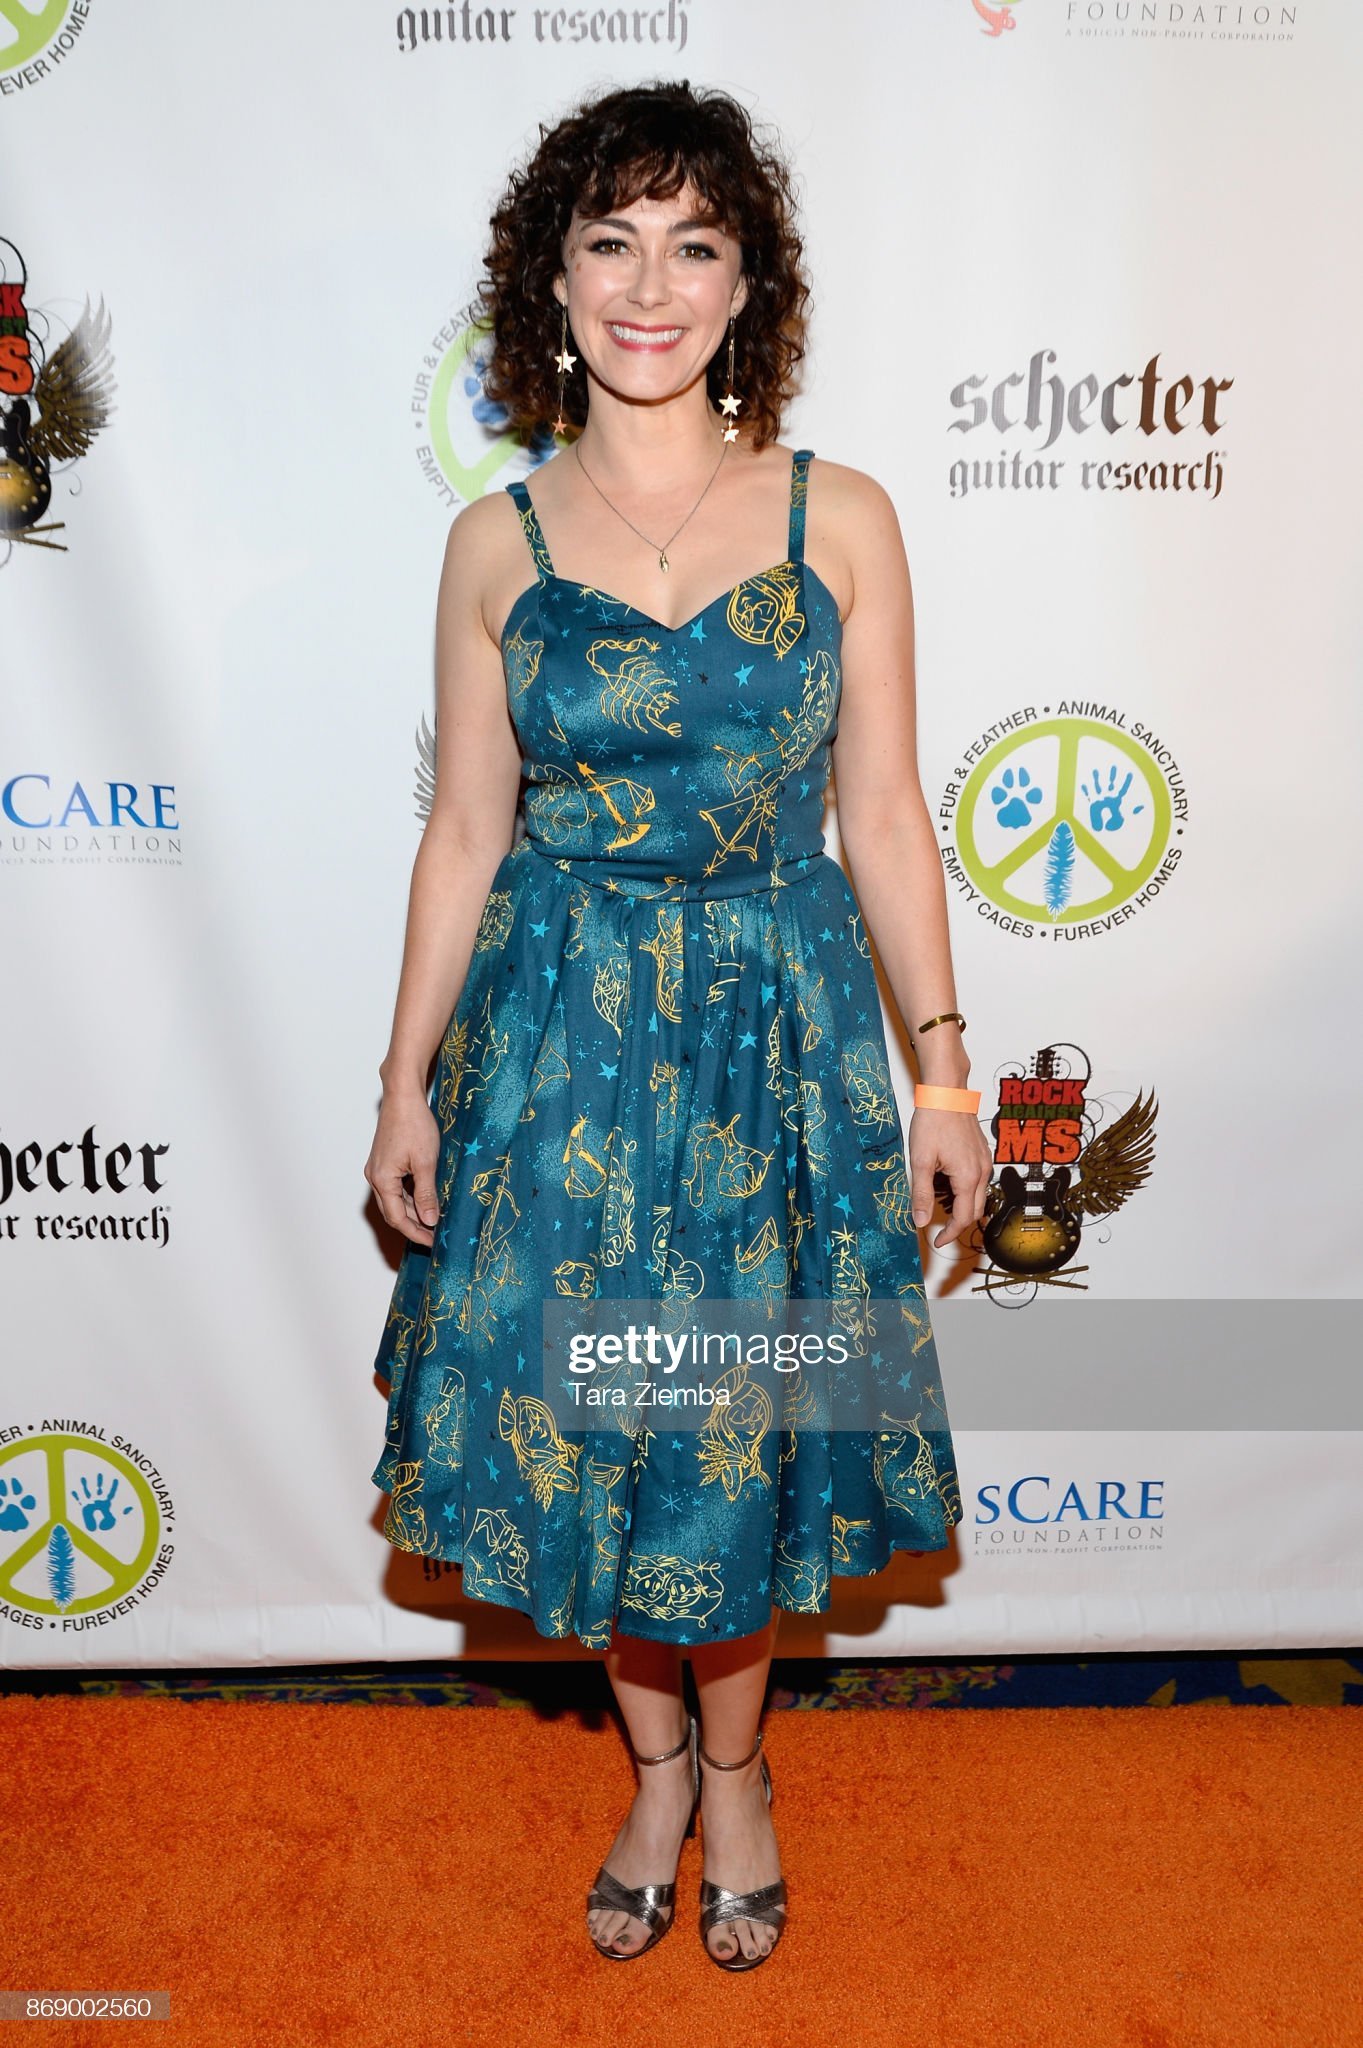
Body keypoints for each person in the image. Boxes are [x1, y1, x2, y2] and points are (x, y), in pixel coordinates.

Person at [364, 79, 994, 1972]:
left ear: (745, 285)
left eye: (694, 245)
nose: (652, 286)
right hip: (559, 1039)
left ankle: (738, 1775)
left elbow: (885, 814)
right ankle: (655, 1778)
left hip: (774, 1043)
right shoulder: (494, 543)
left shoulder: (841, 517)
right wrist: (404, 1081)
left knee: (732, 1435)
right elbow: (464, 832)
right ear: (553, 282)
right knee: (600, 1429)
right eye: (613, 242)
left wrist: (944, 1069)